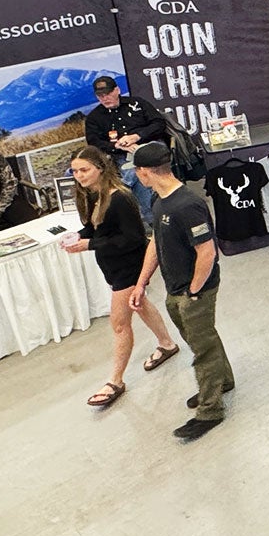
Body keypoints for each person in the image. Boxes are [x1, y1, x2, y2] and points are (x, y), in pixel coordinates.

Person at [63, 146, 180, 409]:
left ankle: (115, 380)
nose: (79, 176)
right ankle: (167, 343)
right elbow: (96, 228)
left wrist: (89, 244)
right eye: (75, 171)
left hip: (128, 267)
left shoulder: (120, 198)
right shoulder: (92, 195)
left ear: (99, 168)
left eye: (84, 170)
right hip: (113, 266)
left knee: (119, 324)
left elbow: (133, 239)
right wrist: (81, 236)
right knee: (140, 304)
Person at [131, 142, 233, 440]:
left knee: (203, 349)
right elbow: (156, 242)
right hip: (176, 287)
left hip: (195, 290)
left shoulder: (187, 204)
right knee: (202, 338)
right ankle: (222, 381)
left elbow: (207, 252)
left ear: (144, 172)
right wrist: (141, 282)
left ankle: (210, 410)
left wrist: (194, 292)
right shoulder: (158, 200)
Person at [85, 75, 168, 215]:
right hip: (120, 154)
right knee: (136, 170)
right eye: (100, 96)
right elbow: (94, 142)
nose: (105, 98)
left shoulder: (137, 103)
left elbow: (159, 123)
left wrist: (137, 136)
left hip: (149, 146)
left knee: (135, 168)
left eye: (108, 93)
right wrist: (117, 146)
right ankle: (150, 216)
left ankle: (122, 189)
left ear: (117, 90)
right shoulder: (94, 117)